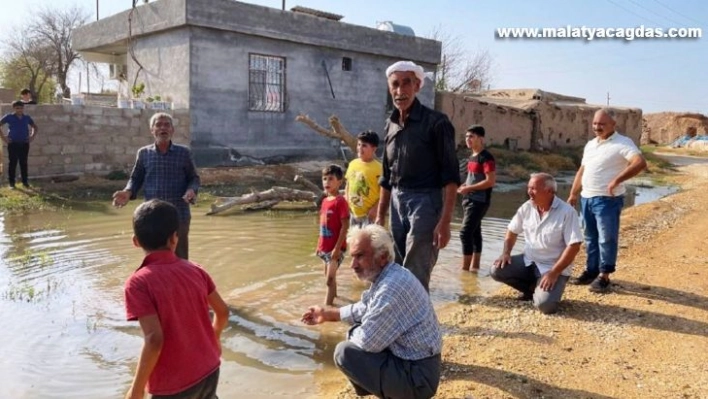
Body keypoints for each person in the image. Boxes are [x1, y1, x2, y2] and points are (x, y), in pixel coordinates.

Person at [302, 224, 442, 399]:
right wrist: (328, 314)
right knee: (362, 332)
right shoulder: (390, 276)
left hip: (418, 379)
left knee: (345, 353)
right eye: (352, 257)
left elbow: (368, 342)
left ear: (382, 257)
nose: (353, 265)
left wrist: (352, 330)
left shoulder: (390, 288)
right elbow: (365, 307)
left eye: (359, 256)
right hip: (418, 367)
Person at [124, 199, 229, 399]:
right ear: (174, 238)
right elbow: (222, 312)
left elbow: (154, 340)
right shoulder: (196, 270)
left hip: (173, 384)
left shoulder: (138, 283)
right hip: (209, 368)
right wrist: (214, 337)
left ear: (135, 241)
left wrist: (137, 389)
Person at [376, 60, 461, 291]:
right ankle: (403, 319)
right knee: (396, 267)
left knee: (416, 269)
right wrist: (379, 217)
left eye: (406, 84)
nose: (400, 90)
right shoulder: (390, 124)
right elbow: (386, 175)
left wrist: (444, 222)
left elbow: (451, 177)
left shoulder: (437, 123)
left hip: (426, 202)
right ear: (389, 87)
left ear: (417, 86)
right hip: (396, 201)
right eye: (395, 84)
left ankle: (418, 323)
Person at [568, 108, 647, 293]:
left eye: (602, 124)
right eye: (595, 123)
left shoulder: (623, 143)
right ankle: (591, 271)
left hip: (607, 200)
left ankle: (604, 276)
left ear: (613, 124)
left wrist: (617, 180)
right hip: (586, 197)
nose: (597, 127)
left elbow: (640, 163)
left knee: (606, 238)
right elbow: (582, 170)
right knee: (590, 237)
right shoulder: (590, 145)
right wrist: (573, 193)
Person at [491, 173, 583, 314]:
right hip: (529, 261)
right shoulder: (527, 207)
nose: (529, 192)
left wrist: (554, 273)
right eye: (529, 187)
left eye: (533, 188)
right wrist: (506, 253)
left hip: (553, 267)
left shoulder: (567, 212)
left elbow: (574, 246)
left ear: (549, 191)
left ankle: (545, 291)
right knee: (496, 269)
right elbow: (512, 230)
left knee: (545, 306)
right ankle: (532, 289)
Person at [112, 112, 200, 260]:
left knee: (180, 257)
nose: (162, 128)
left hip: (179, 214)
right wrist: (127, 192)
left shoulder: (183, 153)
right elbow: (136, 178)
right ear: (152, 130)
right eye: (158, 125)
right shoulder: (144, 153)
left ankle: (181, 282)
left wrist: (191, 190)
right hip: (152, 216)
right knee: (154, 257)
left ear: (172, 130)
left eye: (167, 125)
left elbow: (194, 178)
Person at [457, 125, 496, 272]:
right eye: (466, 137)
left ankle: (465, 269)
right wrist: (464, 186)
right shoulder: (472, 156)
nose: (468, 140)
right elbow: (473, 178)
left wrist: (469, 188)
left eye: (471, 137)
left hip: (479, 200)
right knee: (475, 232)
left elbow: (490, 181)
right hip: (469, 199)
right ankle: (475, 267)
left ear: (481, 139)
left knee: (465, 233)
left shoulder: (486, 157)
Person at [317, 164, 350, 306]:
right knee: (330, 278)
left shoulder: (340, 202)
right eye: (324, 179)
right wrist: (318, 246)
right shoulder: (325, 201)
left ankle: (327, 308)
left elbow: (345, 225)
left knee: (329, 280)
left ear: (340, 182)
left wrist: (337, 249)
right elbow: (323, 225)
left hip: (335, 248)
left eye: (331, 179)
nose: (327, 182)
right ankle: (334, 298)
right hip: (324, 247)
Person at [345, 130, 382, 228]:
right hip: (353, 213)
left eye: (364, 146)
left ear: (374, 149)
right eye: (359, 144)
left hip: (369, 215)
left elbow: (385, 192)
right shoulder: (353, 164)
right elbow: (348, 185)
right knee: (354, 241)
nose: (360, 148)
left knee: (368, 242)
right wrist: (346, 202)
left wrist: (375, 209)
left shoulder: (379, 168)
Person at [0, 101, 38, 189]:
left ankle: (25, 182)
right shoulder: (9, 117)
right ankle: (11, 183)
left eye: (21, 108)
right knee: (12, 163)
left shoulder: (26, 118)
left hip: (24, 143)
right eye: (17, 108)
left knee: (23, 163)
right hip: (13, 143)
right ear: (14, 108)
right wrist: (4, 138)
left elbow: (35, 127)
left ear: (23, 108)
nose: (19, 110)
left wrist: (31, 137)